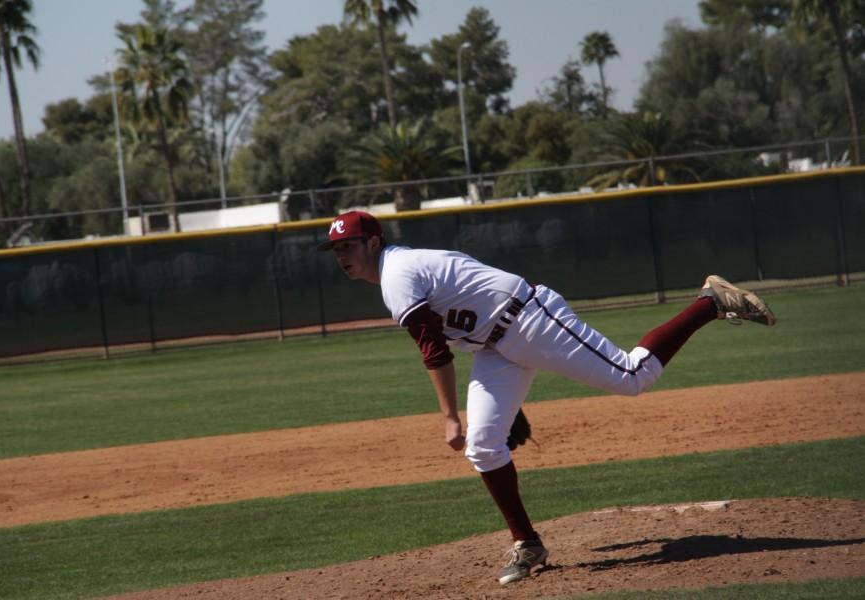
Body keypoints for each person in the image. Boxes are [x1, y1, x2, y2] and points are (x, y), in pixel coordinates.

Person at [317, 210, 776, 585]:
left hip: (528, 320)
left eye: (349, 246)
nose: (342, 256)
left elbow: (433, 350)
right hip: (497, 343)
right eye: (336, 249)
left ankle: (710, 302)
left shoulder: (397, 274)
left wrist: (449, 417)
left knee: (633, 376)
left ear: (373, 242)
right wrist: (504, 404)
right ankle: (528, 544)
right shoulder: (400, 268)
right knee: (484, 443)